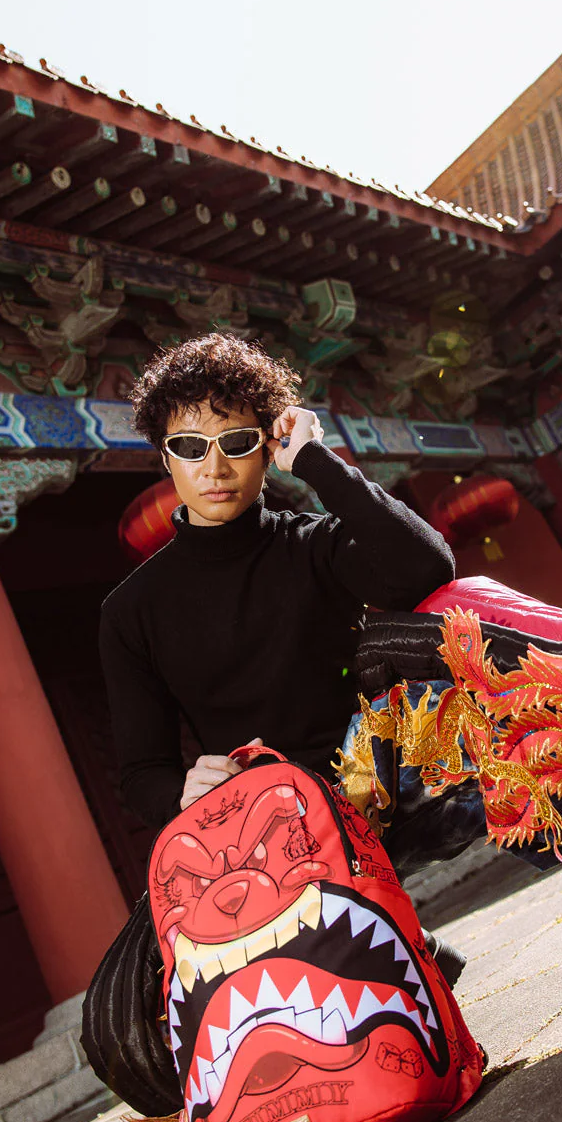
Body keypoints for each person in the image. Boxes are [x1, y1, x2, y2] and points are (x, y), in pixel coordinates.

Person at [98, 332, 465, 980]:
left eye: (237, 442)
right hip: (266, 820)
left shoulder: (314, 545)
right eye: (190, 448)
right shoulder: (131, 611)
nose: (214, 468)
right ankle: (412, 952)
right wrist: (182, 791)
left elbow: (426, 567)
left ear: (269, 448)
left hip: (386, 778)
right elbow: (141, 770)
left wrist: (317, 461)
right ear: (165, 457)